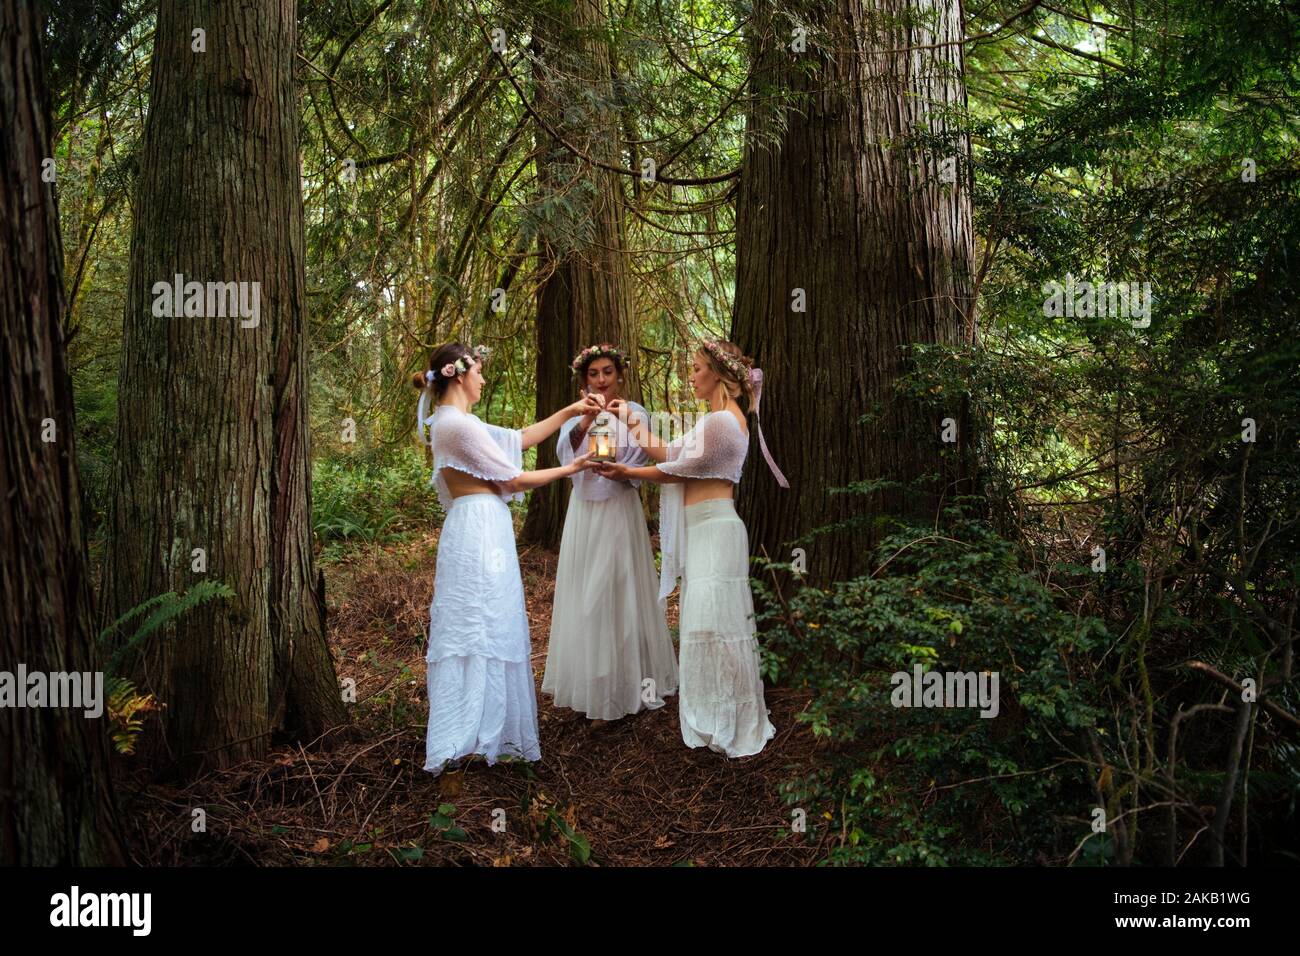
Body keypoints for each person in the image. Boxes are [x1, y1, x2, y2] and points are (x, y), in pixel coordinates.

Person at [596, 340, 789, 757]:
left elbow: (676, 468)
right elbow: (669, 452)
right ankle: (713, 712)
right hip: (706, 529)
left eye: (698, 367)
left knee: (719, 626)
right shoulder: (716, 419)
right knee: (705, 625)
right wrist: (629, 418)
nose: (691, 373)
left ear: (718, 374)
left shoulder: (722, 422)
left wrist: (627, 470)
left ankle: (729, 718)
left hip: (716, 529)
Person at [413, 342, 598, 774]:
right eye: (477, 371)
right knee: (480, 623)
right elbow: (514, 478)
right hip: (478, 530)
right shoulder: (455, 426)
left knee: (489, 621)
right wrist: (572, 469)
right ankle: (472, 735)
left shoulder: (458, 422)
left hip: (481, 526)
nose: (481, 378)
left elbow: (519, 439)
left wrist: (571, 411)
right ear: (458, 374)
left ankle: (487, 731)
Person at [542, 344, 678, 724]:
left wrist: (620, 466)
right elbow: (563, 456)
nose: (601, 380)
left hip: (618, 508)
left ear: (619, 375)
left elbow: (642, 455)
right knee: (587, 593)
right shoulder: (577, 416)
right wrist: (584, 424)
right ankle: (593, 684)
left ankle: (625, 685)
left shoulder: (633, 411)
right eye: (593, 374)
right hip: (584, 511)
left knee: (618, 590)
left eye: (607, 372)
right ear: (584, 380)